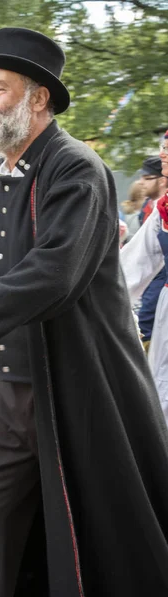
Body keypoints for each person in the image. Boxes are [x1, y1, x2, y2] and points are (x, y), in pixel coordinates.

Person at [0, 28, 168, 597]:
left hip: (75, 385)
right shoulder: (7, 174)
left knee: (105, 529)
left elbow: (54, 273)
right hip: (14, 387)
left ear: (39, 98)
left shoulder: (77, 168)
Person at [121, 132, 168, 416]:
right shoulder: (163, 211)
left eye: (167, 149)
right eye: (163, 148)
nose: (163, 154)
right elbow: (130, 268)